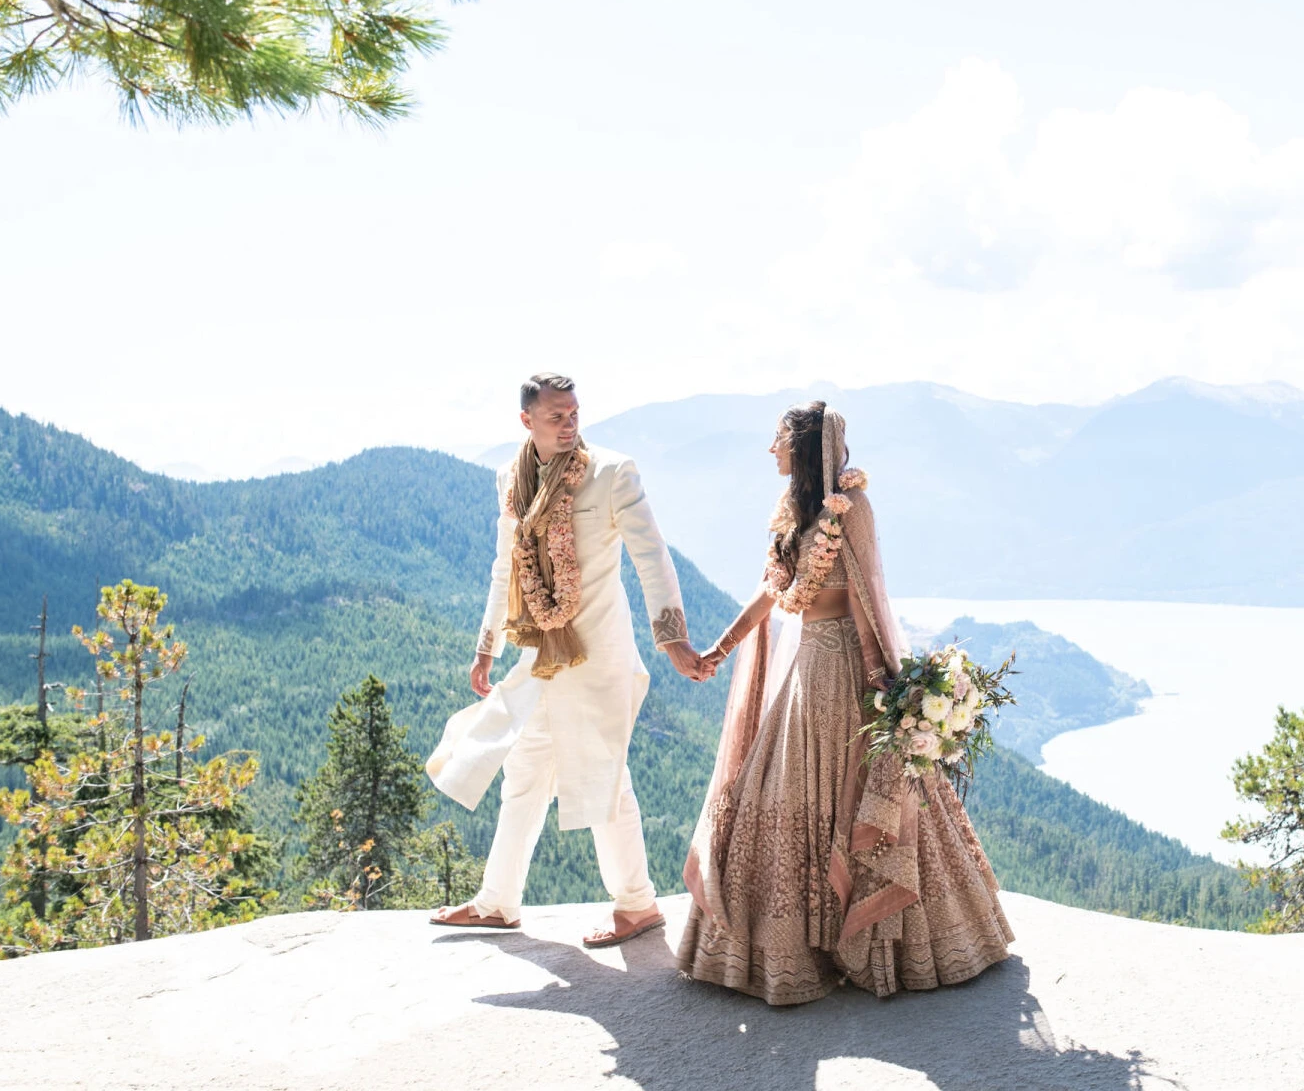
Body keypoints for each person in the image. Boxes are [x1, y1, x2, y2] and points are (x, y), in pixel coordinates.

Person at [677, 401, 1013, 1004]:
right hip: (803, 665)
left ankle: (876, 943)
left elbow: (866, 593)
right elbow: (771, 591)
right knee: (783, 793)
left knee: (854, 796)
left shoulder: (851, 508)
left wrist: (885, 686)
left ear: (804, 449)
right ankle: (797, 943)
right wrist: (721, 648)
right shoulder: (790, 510)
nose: (770, 450)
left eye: (778, 440)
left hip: (846, 672)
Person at [425, 371, 709, 948]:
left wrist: (672, 637)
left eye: (575, 412)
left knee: (602, 776)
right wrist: (487, 646)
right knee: (524, 775)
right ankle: (497, 903)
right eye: (556, 416)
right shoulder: (511, 476)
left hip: (599, 654)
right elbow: (505, 568)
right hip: (538, 656)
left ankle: (636, 905)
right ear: (526, 421)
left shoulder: (612, 472)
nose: (569, 423)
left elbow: (651, 556)